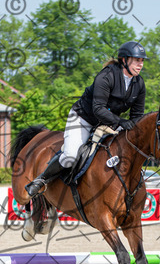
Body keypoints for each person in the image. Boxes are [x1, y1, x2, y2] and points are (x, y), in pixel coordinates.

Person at [25, 41, 147, 197]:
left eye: (142, 61)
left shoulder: (139, 83)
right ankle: (41, 180)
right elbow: (98, 109)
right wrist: (121, 122)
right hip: (83, 119)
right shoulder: (107, 76)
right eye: (137, 60)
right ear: (124, 60)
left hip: (109, 123)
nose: (140, 64)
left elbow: (137, 116)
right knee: (70, 156)